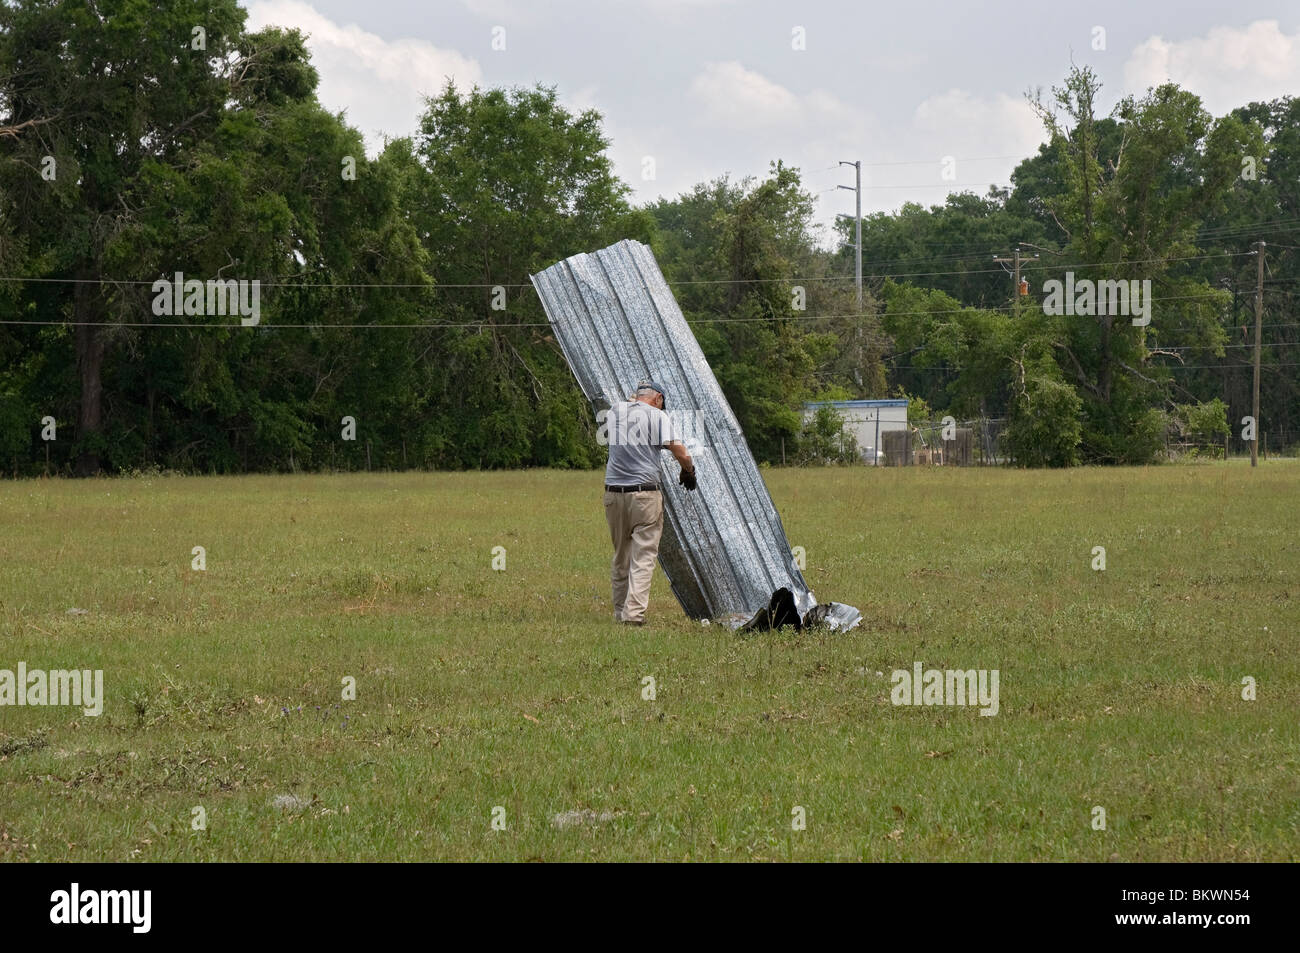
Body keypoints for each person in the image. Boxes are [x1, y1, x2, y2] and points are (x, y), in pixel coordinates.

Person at [602, 380, 696, 626]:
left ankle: (620, 611)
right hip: (644, 495)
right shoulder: (658, 416)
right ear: (658, 400)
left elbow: (631, 408)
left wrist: (636, 400)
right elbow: (681, 453)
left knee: (621, 555)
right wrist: (689, 470)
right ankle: (633, 616)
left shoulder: (614, 411)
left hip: (613, 494)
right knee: (643, 556)